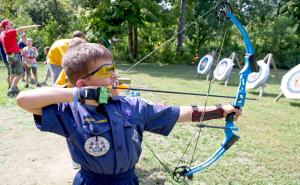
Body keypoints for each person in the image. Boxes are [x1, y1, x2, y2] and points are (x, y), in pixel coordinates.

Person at [16, 42, 242, 184]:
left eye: (113, 67)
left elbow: (179, 113)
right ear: (84, 83)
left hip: (127, 180)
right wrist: (79, 95)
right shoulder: (71, 111)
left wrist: (220, 111)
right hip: (90, 181)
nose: (115, 75)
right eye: (106, 71)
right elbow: (23, 100)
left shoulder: (131, 105)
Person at [0, 19, 40, 97]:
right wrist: (32, 26)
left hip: (9, 55)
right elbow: (20, 29)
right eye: (10, 24)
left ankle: (12, 90)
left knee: (13, 73)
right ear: (6, 26)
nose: (12, 25)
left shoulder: (2, 34)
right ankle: (12, 89)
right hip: (14, 55)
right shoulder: (8, 32)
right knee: (21, 74)